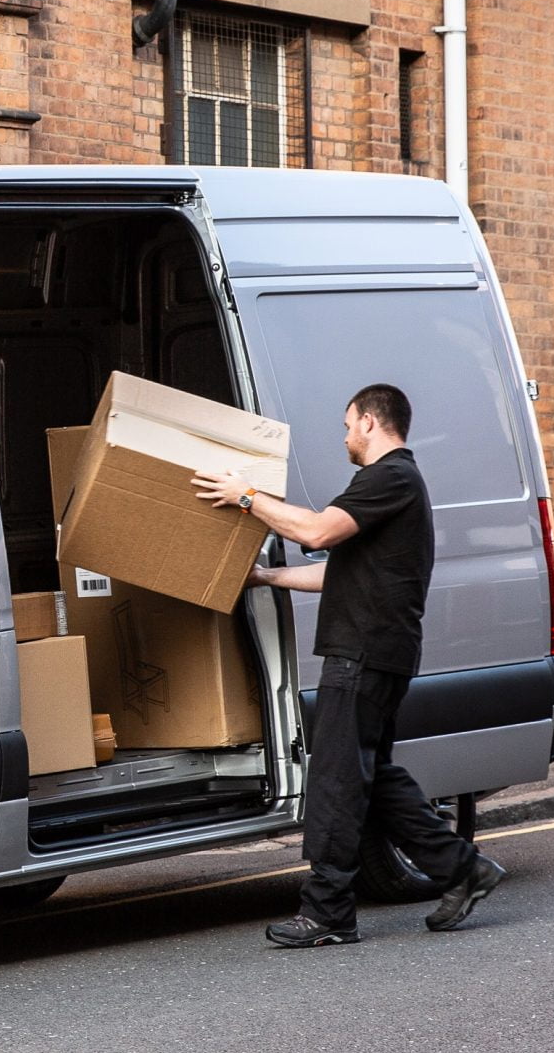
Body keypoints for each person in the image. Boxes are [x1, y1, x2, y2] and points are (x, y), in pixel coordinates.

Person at [191, 383, 502, 947]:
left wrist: (245, 496)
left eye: (346, 425)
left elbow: (314, 530)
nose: (344, 437)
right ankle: (463, 869)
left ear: (369, 422)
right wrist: (265, 577)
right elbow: (340, 572)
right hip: (375, 650)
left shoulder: (391, 476)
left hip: (363, 652)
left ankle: (328, 911)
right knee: (371, 776)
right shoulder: (392, 485)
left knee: (336, 781)